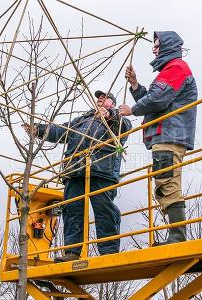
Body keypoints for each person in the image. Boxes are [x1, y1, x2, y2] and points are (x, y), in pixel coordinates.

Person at [25, 91, 132, 261]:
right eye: (98, 97)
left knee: (104, 209)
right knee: (72, 210)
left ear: (112, 103)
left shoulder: (118, 118)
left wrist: (111, 115)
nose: (99, 99)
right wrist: (39, 130)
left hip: (102, 170)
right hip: (75, 170)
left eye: (104, 98)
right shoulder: (82, 120)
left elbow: (124, 127)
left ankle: (109, 252)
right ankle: (72, 252)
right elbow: (61, 131)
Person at [119, 31, 197, 245]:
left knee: (167, 182)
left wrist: (132, 110)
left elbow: (158, 100)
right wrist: (135, 84)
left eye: (157, 45)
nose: (154, 49)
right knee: (164, 182)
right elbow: (153, 97)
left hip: (170, 134)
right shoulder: (169, 71)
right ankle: (175, 234)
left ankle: (178, 237)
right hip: (165, 135)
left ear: (168, 46)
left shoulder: (176, 68)